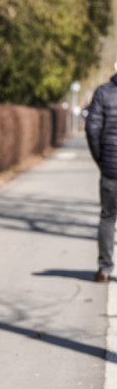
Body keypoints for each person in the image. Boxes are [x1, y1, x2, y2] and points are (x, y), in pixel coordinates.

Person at [85, 62, 117, 282]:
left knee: (107, 218)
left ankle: (104, 269)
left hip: (111, 169)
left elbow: (92, 128)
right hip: (109, 167)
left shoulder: (103, 93)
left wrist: (101, 159)